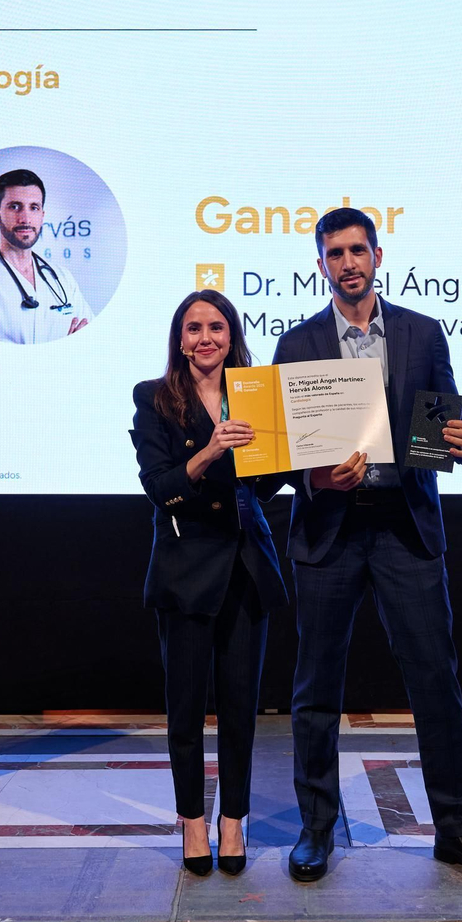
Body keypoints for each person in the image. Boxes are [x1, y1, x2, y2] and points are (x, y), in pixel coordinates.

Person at [275, 207, 462, 886]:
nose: (348, 263)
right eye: (335, 254)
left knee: (435, 681)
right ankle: (316, 829)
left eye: (358, 250)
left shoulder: (421, 332)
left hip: (405, 527)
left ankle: (456, 829)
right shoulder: (296, 344)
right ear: (320, 265)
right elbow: (283, 454)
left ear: (378, 256)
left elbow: (447, 427)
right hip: (330, 530)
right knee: (316, 688)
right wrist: (319, 477)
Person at [129, 289, 288, 875]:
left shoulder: (255, 393)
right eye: (194, 328)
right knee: (186, 707)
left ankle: (233, 820)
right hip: (186, 569)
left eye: (216, 327)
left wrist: (293, 449)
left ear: (231, 336)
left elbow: (266, 484)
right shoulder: (154, 398)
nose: (205, 338)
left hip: (246, 567)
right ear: (180, 339)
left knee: (242, 708)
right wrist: (209, 452)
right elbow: (158, 485)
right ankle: (193, 821)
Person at [0, 168, 94, 342]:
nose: (25, 218)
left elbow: (91, 341)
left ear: (42, 216)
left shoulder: (63, 278)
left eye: (34, 208)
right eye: (14, 207)